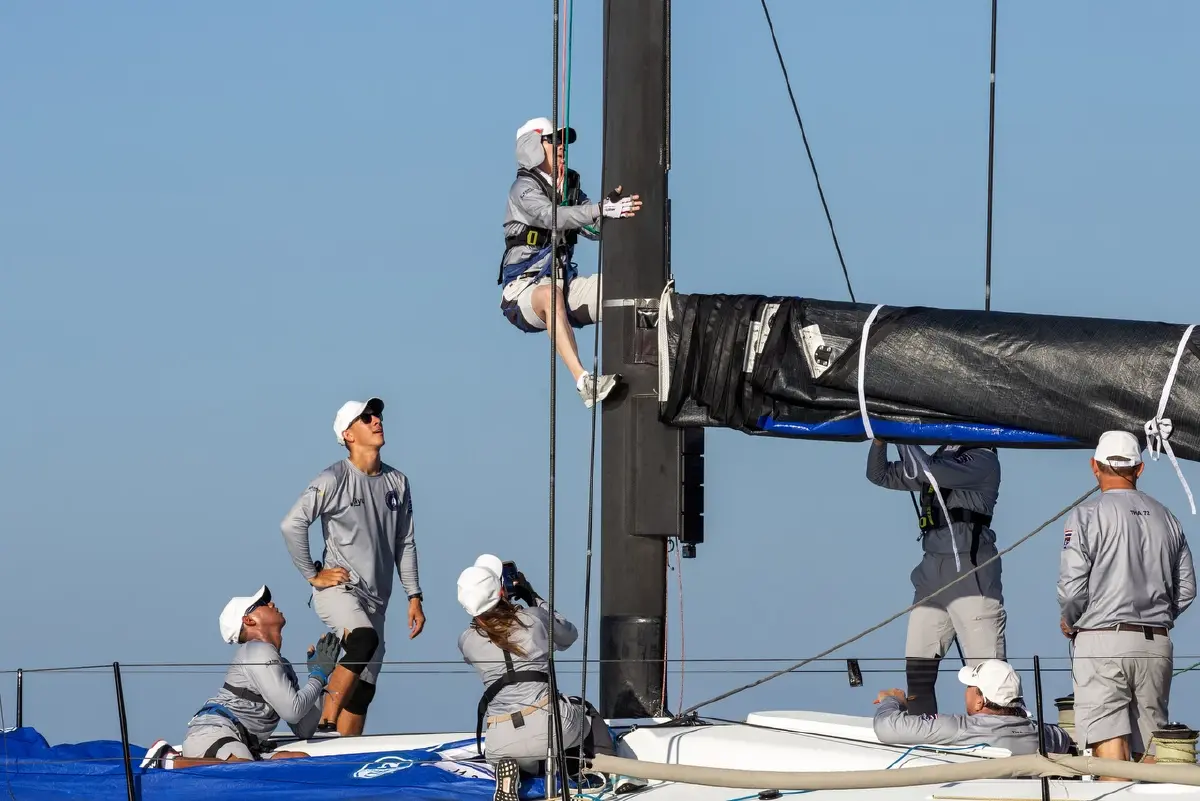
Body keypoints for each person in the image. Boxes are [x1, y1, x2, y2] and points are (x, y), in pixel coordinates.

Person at [280, 396, 425, 736]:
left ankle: (344, 756)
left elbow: (405, 541)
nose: (377, 421)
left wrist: (414, 595)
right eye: (367, 418)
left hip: (378, 598)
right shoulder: (333, 478)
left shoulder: (398, 482)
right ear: (348, 434)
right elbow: (292, 524)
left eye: (377, 416)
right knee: (362, 640)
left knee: (362, 693)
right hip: (339, 588)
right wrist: (312, 575)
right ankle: (326, 723)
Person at [1058, 430, 1196, 773]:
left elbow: (1072, 590)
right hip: (1156, 644)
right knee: (1151, 748)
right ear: (1139, 469)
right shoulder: (1168, 518)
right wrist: (1159, 614)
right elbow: (1188, 589)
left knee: (1109, 745)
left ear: (1095, 466)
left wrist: (1070, 619)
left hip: (1102, 639)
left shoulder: (1086, 516)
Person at [498, 116, 643, 409]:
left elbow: (593, 228)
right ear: (532, 147)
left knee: (625, 289)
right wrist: (597, 209)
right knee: (550, 295)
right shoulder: (523, 189)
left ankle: (647, 369)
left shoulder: (570, 185)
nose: (561, 146)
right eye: (553, 140)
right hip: (525, 289)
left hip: (564, 284)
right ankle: (583, 382)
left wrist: (612, 211)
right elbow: (550, 217)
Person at [456, 554, 619, 801]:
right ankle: (601, 773)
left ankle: (511, 770)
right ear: (502, 591)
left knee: (523, 748)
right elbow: (568, 635)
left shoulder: (466, 641)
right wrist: (530, 595)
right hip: (549, 724)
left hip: (500, 739)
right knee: (584, 710)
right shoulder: (533, 618)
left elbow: (490, 634)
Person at [866, 440, 1006, 716]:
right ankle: (920, 737)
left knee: (990, 677)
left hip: (971, 569)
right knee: (918, 670)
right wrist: (881, 441)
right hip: (931, 571)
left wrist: (901, 433)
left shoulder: (982, 460)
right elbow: (878, 474)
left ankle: (999, 739)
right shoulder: (940, 458)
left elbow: (929, 471)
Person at [139, 585, 341, 768]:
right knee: (242, 770)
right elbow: (292, 711)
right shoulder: (257, 651)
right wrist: (318, 676)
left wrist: (320, 678)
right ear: (248, 620)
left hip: (242, 742)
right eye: (262, 603)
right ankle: (166, 760)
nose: (271, 603)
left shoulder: (282, 664)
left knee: (299, 761)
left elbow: (303, 729)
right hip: (215, 732)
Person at [872, 659, 1073, 755]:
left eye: (970, 686)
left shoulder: (960, 728)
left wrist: (891, 700)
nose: (966, 691)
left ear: (980, 701)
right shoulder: (1045, 734)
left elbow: (886, 728)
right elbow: (1063, 737)